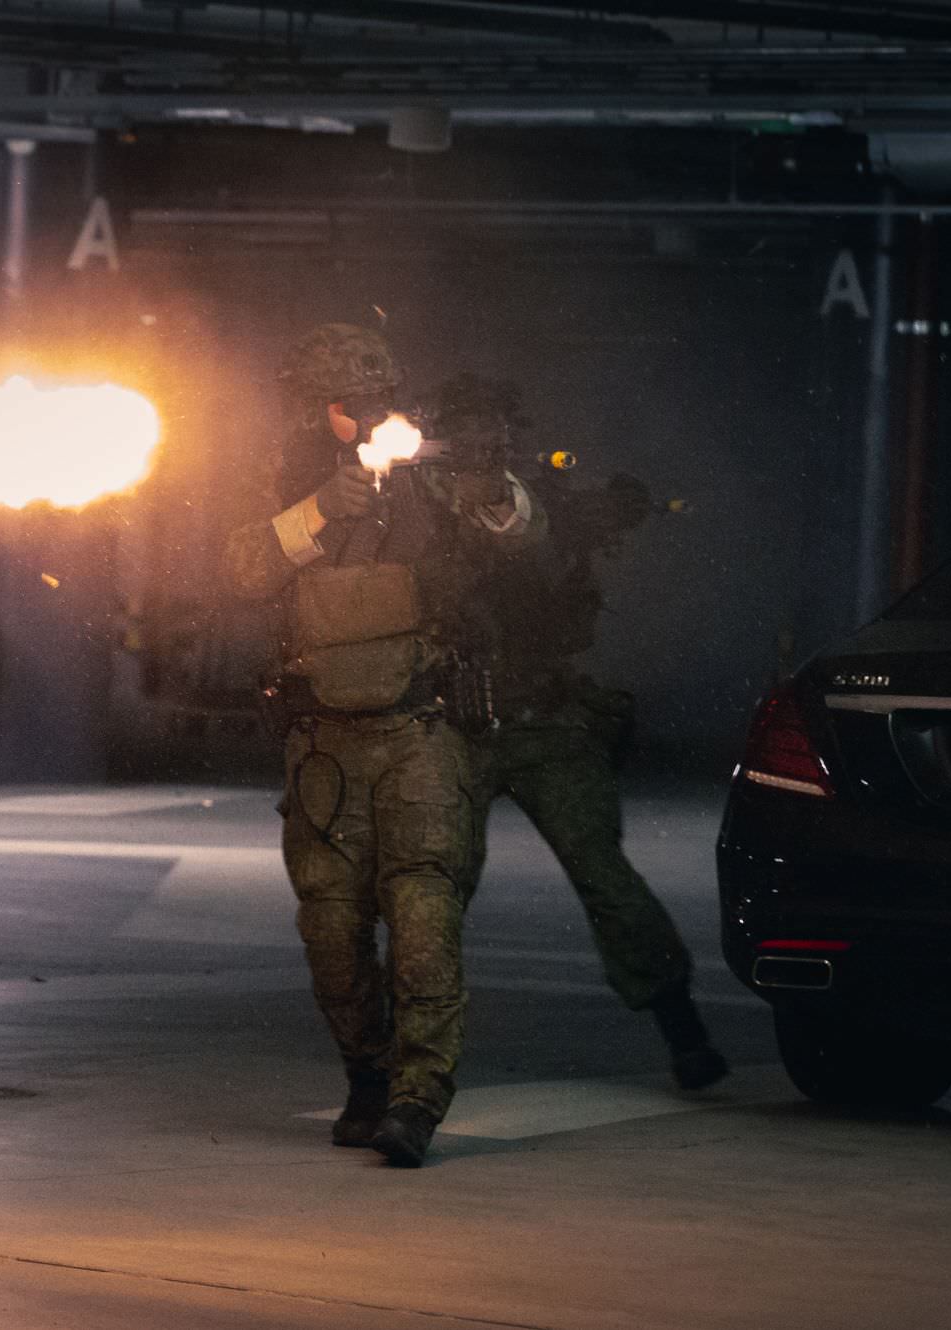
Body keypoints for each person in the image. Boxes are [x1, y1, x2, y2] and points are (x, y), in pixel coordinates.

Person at [222, 324, 540, 1168]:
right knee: (330, 928)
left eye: (373, 399)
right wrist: (321, 510)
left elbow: (517, 532)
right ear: (310, 407)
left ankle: (416, 1096)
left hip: (418, 731)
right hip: (323, 742)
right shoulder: (276, 476)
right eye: (343, 403)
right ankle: (366, 1076)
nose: (361, 416)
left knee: (424, 913)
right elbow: (240, 569)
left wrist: (489, 483)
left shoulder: (425, 467)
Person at [439, 373, 728, 1092]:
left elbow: (552, 558)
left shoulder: (538, 505)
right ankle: (403, 1046)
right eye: (467, 428)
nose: (483, 442)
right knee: (433, 890)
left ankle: (681, 1026)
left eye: (493, 430)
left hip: (543, 719)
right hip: (453, 726)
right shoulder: (414, 505)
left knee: (603, 875)